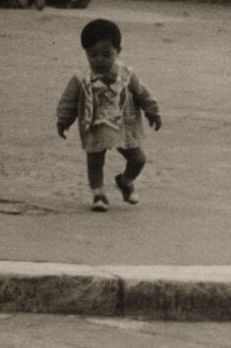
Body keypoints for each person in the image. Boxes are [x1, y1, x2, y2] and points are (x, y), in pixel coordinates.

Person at [56, 18, 162, 211]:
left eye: (106, 54)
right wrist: (64, 119)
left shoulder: (126, 75)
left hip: (124, 126)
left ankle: (125, 181)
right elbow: (69, 100)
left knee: (138, 159)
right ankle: (98, 194)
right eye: (92, 54)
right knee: (95, 161)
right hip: (94, 125)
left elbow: (142, 93)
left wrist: (152, 111)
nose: (99, 59)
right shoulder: (81, 77)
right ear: (86, 53)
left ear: (118, 51)